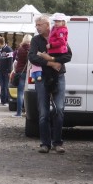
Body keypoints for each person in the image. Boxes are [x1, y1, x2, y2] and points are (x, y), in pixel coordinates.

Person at [28, 15, 72, 154]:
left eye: (39, 24)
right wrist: (50, 63)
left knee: (59, 109)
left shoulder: (59, 35)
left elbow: (68, 55)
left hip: (58, 76)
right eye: (36, 25)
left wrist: (52, 58)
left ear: (47, 25)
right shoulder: (36, 40)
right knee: (43, 112)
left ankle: (57, 143)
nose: (37, 27)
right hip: (42, 77)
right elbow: (32, 57)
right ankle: (45, 144)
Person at [11, 33, 31, 117]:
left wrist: (15, 70)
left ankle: (19, 113)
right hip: (29, 73)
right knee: (29, 93)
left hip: (20, 72)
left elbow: (16, 61)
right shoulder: (32, 49)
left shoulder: (20, 49)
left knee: (20, 93)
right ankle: (28, 112)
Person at [0, 35, 14, 106]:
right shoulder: (0, 50)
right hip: (1, 70)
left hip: (6, 71)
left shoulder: (8, 49)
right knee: (2, 86)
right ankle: (2, 101)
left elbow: (10, 61)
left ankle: (6, 101)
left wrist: (9, 71)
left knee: (6, 86)